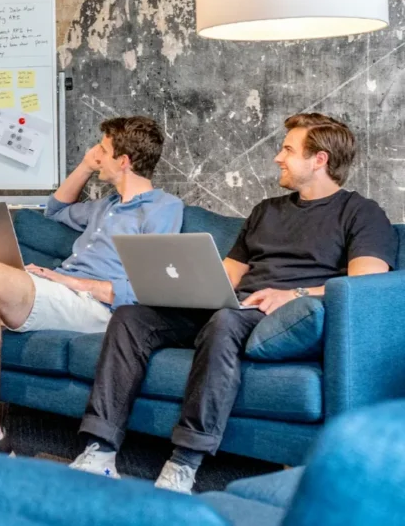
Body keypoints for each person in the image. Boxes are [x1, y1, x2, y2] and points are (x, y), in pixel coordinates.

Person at [72, 112, 396, 493]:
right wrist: (182, 288)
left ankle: (184, 462)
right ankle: (101, 450)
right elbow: (227, 275)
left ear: (319, 159)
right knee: (131, 316)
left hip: (284, 316)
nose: (278, 156)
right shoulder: (266, 210)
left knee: (224, 320)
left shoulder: (361, 212)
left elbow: (366, 284)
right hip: (235, 307)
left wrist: (294, 294)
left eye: (288, 149)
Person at [0, 116, 183, 451]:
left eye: (103, 150)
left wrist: (73, 282)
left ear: (124, 161)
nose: (95, 153)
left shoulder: (163, 209)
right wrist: (83, 166)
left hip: (94, 307)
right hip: (58, 291)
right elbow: (55, 210)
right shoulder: (105, 207)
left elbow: (147, 287)